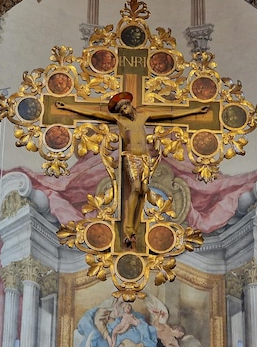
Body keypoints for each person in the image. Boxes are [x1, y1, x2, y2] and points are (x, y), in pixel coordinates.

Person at [56, 92, 210, 244]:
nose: (123, 111)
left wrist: (195, 111)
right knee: (135, 188)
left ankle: (134, 230)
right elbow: (95, 114)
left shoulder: (143, 116)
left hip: (145, 157)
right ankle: (128, 228)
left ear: (130, 105)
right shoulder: (120, 120)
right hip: (131, 156)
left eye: (125, 107)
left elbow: (170, 114)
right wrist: (69, 107)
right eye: (121, 109)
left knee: (143, 191)